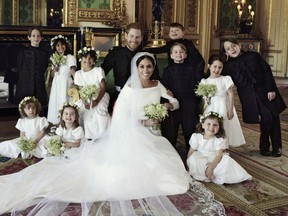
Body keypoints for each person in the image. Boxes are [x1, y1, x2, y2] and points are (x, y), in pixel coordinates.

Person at [0, 52, 225, 215]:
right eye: (142, 67)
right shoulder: (129, 89)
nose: (146, 70)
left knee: (170, 166)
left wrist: (167, 106)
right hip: (132, 132)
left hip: (152, 133)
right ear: (136, 69)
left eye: (149, 66)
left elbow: (175, 102)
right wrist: (145, 119)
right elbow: (121, 116)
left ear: (153, 68)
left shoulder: (157, 84)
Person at [222, 38, 286, 157]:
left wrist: (271, 89)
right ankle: (265, 145)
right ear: (226, 53)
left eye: (233, 46)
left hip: (265, 90)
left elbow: (266, 71)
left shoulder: (253, 56)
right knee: (266, 118)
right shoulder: (228, 66)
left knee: (274, 117)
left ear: (239, 45)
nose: (232, 49)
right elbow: (220, 77)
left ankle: (277, 147)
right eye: (228, 49)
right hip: (249, 96)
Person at [101, 22, 159, 114]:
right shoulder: (115, 53)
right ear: (126, 35)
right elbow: (101, 73)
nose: (134, 40)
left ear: (142, 38)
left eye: (137, 37)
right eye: (131, 36)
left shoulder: (147, 56)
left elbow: (156, 79)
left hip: (142, 97)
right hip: (119, 96)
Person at [187, 111, 252, 185]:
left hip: (215, 160)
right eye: (208, 124)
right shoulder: (196, 137)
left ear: (219, 127)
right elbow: (191, 152)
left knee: (227, 160)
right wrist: (188, 164)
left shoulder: (219, 140)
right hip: (201, 158)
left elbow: (218, 156)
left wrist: (211, 167)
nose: (211, 127)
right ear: (203, 125)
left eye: (215, 125)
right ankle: (203, 174)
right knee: (193, 160)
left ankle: (211, 172)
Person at [161, 42, 204, 152]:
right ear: (171, 55)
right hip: (173, 103)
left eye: (181, 52)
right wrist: (167, 92)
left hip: (188, 103)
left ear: (185, 54)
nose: (178, 54)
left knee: (189, 129)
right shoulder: (167, 69)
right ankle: (170, 154)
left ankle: (191, 154)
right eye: (175, 52)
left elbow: (197, 84)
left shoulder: (192, 69)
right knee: (170, 131)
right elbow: (164, 86)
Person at [200, 54, 245, 148]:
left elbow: (231, 94)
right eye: (214, 67)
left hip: (223, 105)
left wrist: (230, 110)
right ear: (209, 66)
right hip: (211, 107)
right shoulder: (204, 81)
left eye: (220, 67)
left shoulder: (225, 79)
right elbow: (204, 98)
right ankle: (212, 147)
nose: (217, 70)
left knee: (224, 126)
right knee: (211, 126)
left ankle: (223, 148)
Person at [74, 46, 110, 140]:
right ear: (81, 59)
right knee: (84, 113)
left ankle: (102, 135)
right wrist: (85, 102)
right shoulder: (78, 74)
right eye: (85, 58)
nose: (87, 60)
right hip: (85, 98)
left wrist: (97, 101)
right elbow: (81, 90)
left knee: (99, 113)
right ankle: (87, 137)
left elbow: (103, 87)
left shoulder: (98, 70)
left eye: (90, 58)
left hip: (100, 96)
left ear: (94, 59)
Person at [14, 27, 49, 107]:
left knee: (38, 105)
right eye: (33, 36)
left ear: (41, 38)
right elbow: (19, 67)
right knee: (25, 106)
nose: (36, 38)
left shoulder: (44, 53)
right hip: (25, 83)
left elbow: (44, 67)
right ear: (29, 37)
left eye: (38, 36)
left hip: (39, 84)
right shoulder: (22, 52)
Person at [47, 35, 77, 125]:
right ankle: (56, 123)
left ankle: (66, 123)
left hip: (65, 83)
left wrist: (78, 84)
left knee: (64, 101)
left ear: (66, 45)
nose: (60, 47)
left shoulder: (70, 57)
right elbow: (53, 74)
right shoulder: (54, 58)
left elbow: (73, 72)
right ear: (55, 47)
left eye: (62, 45)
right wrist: (55, 68)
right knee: (56, 102)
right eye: (58, 45)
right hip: (57, 83)